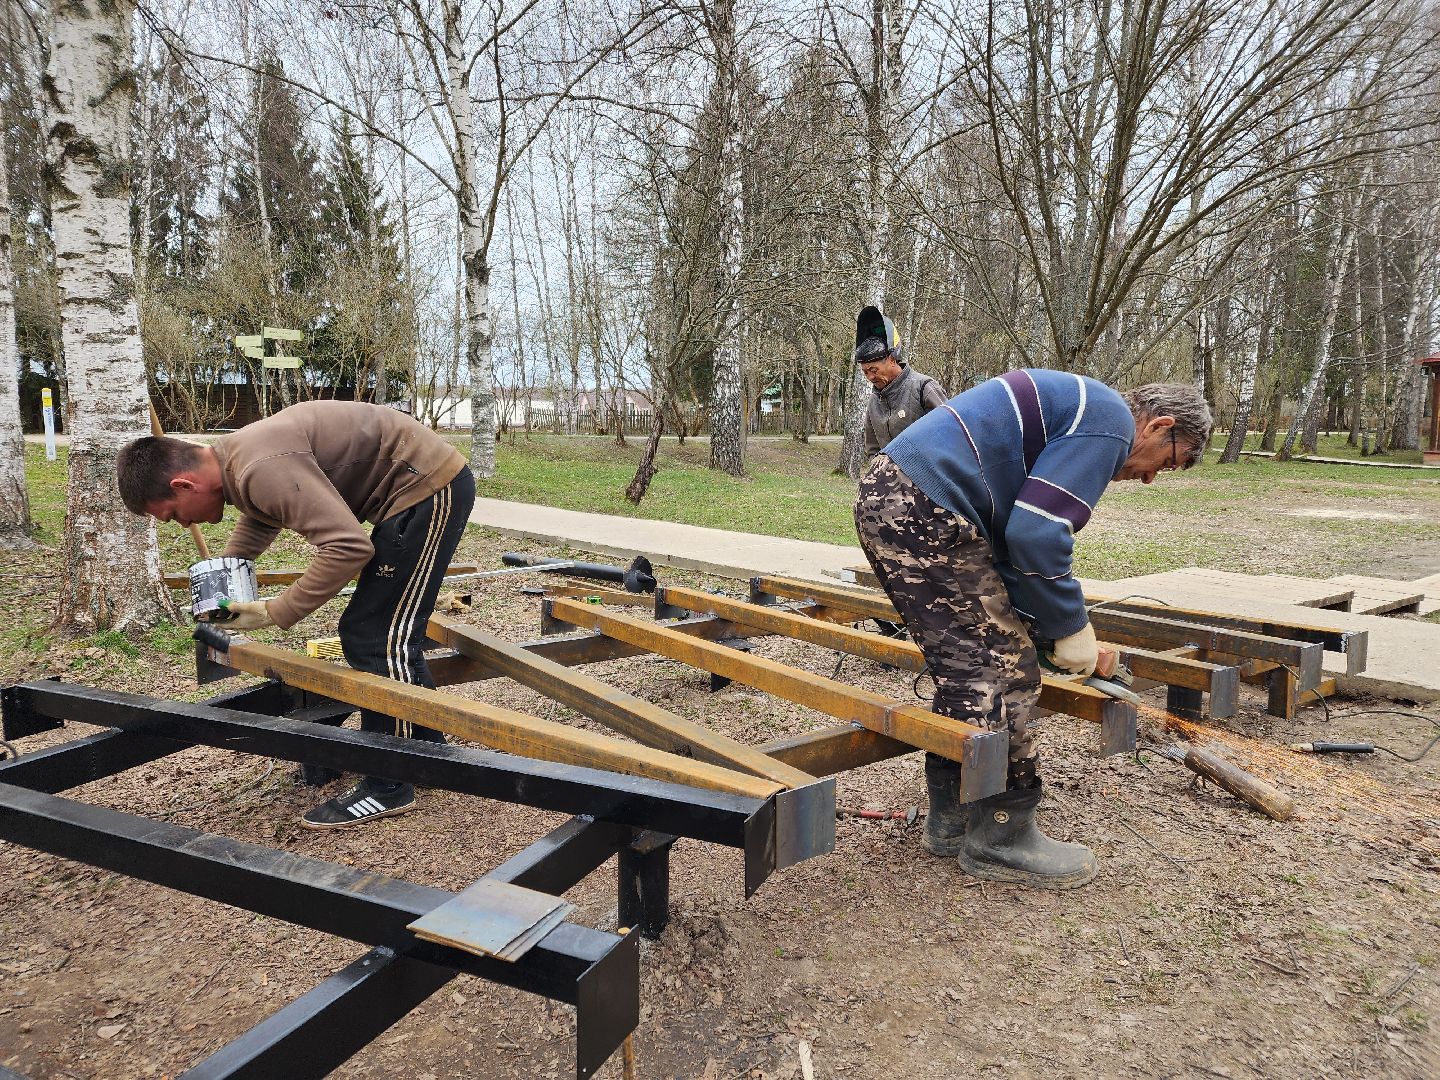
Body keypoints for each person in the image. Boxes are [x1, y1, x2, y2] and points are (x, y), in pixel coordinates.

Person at [854, 375, 1211, 889]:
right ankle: (1002, 835)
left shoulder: (1081, 407)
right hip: (924, 504)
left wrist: (1050, 630)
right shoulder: (1110, 420)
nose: (1153, 477)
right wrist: (1072, 626)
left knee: (968, 671)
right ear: (1160, 425)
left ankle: (954, 818)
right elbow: (1038, 532)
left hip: (897, 495)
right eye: (1168, 460)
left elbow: (1013, 550)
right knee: (1005, 674)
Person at [117, 400, 476, 830]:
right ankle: (425, 749)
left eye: (172, 514)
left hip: (428, 489)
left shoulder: (259, 465)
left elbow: (348, 547)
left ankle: (390, 783)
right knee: (379, 630)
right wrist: (224, 584)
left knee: (378, 635)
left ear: (184, 484)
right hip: (409, 492)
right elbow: (263, 514)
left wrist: (272, 612)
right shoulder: (236, 460)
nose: (179, 523)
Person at [855, 305, 947, 461]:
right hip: (891, 483)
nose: (870, 377)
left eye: (874, 370)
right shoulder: (873, 401)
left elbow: (949, 436)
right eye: (865, 372)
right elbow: (873, 450)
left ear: (892, 360)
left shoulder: (924, 388)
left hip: (927, 480)